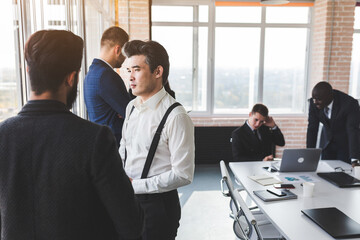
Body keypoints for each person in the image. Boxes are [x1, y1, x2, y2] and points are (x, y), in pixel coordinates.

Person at [0, 30, 143, 240]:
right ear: (71, 78)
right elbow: (131, 223)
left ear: (29, 71)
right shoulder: (94, 139)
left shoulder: (3, 135)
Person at [119, 40, 195, 240]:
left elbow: (183, 174)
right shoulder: (131, 107)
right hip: (127, 201)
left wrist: (135, 186)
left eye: (136, 69)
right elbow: (124, 150)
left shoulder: (176, 116)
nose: (130, 77)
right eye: (128, 70)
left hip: (158, 207)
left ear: (157, 71)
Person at [84, 26, 131, 145]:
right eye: (125, 54)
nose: (125, 58)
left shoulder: (92, 73)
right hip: (114, 143)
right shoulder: (107, 76)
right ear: (118, 50)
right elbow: (130, 112)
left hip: (100, 141)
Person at [307, 81, 360, 167]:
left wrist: (354, 159)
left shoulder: (349, 104)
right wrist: (309, 155)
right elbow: (312, 129)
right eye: (313, 99)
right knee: (326, 173)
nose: (315, 102)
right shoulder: (314, 103)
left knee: (344, 176)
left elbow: (353, 130)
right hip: (327, 145)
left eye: (319, 99)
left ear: (330, 97)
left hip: (345, 146)